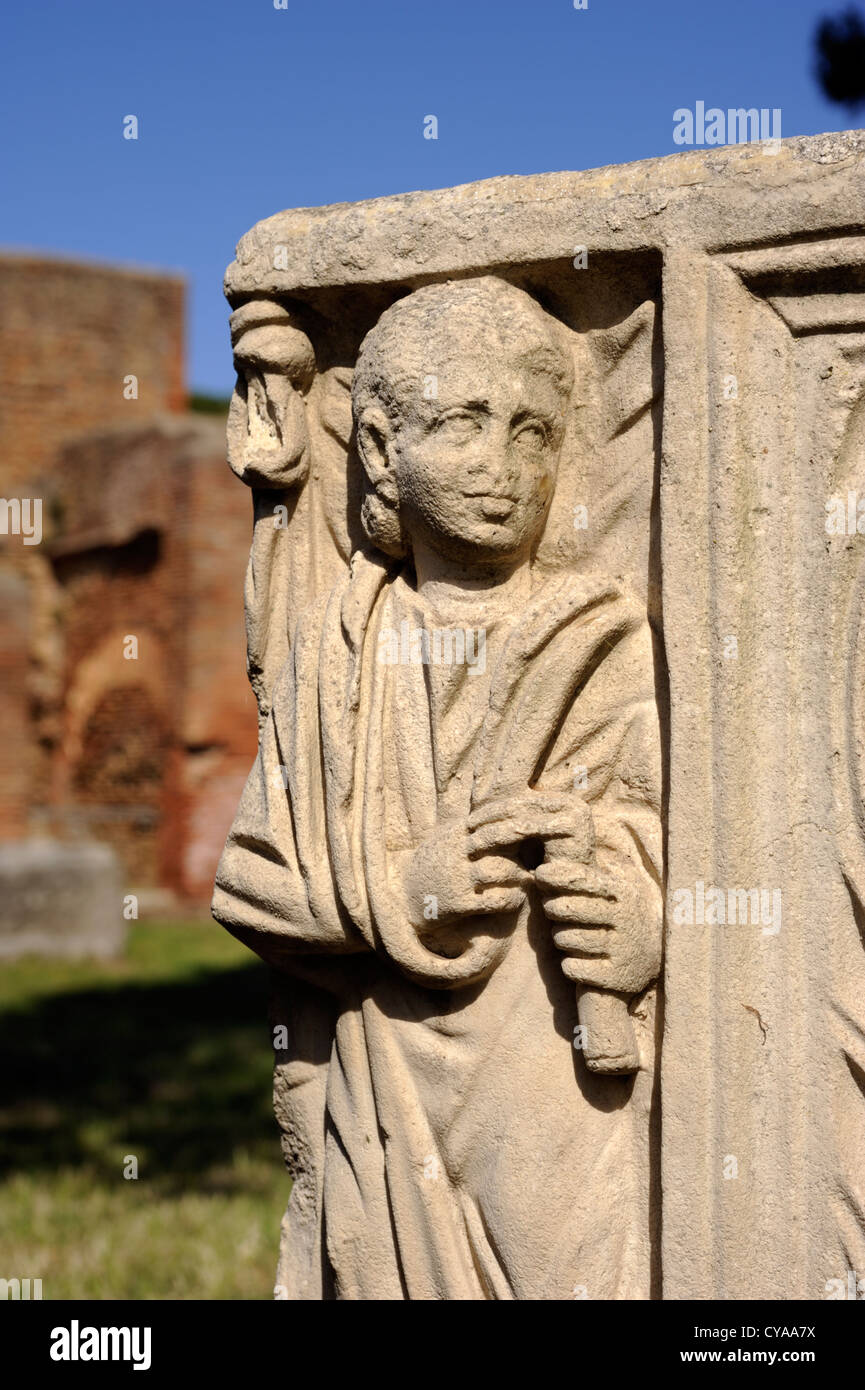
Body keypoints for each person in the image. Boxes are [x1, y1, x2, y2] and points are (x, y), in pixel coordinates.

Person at [213, 276, 663, 1299]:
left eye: (532, 432)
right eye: (460, 423)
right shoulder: (340, 646)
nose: (501, 468)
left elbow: (644, 827)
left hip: (549, 1075)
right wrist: (399, 888)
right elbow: (250, 880)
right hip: (383, 1069)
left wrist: (632, 920)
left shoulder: (594, 632)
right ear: (377, 449)